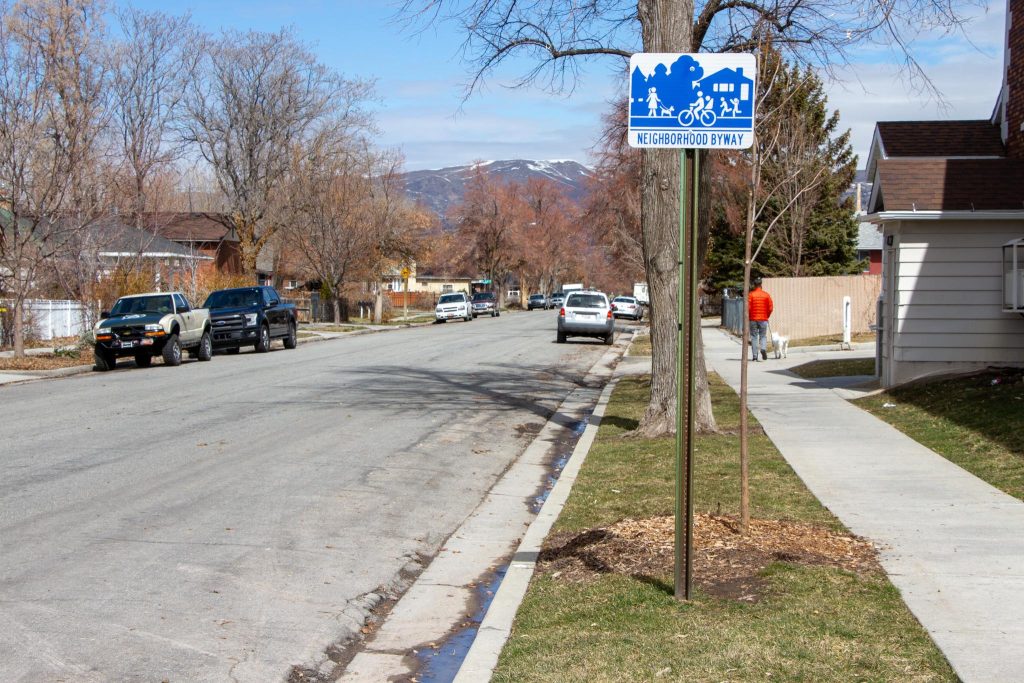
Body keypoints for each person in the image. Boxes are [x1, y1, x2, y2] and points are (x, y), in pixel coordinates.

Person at [748, 277, 773, 362]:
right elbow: (770, 308)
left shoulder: (751, 295)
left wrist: (750, 316)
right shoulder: (766, 295)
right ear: (761, 284)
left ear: (754, 285)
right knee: (763, 336)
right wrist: (767, 316)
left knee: (754, 337)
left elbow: (748, 308)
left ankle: (755, 356)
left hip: (753, 319)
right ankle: (763, 348)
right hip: (763, 319)